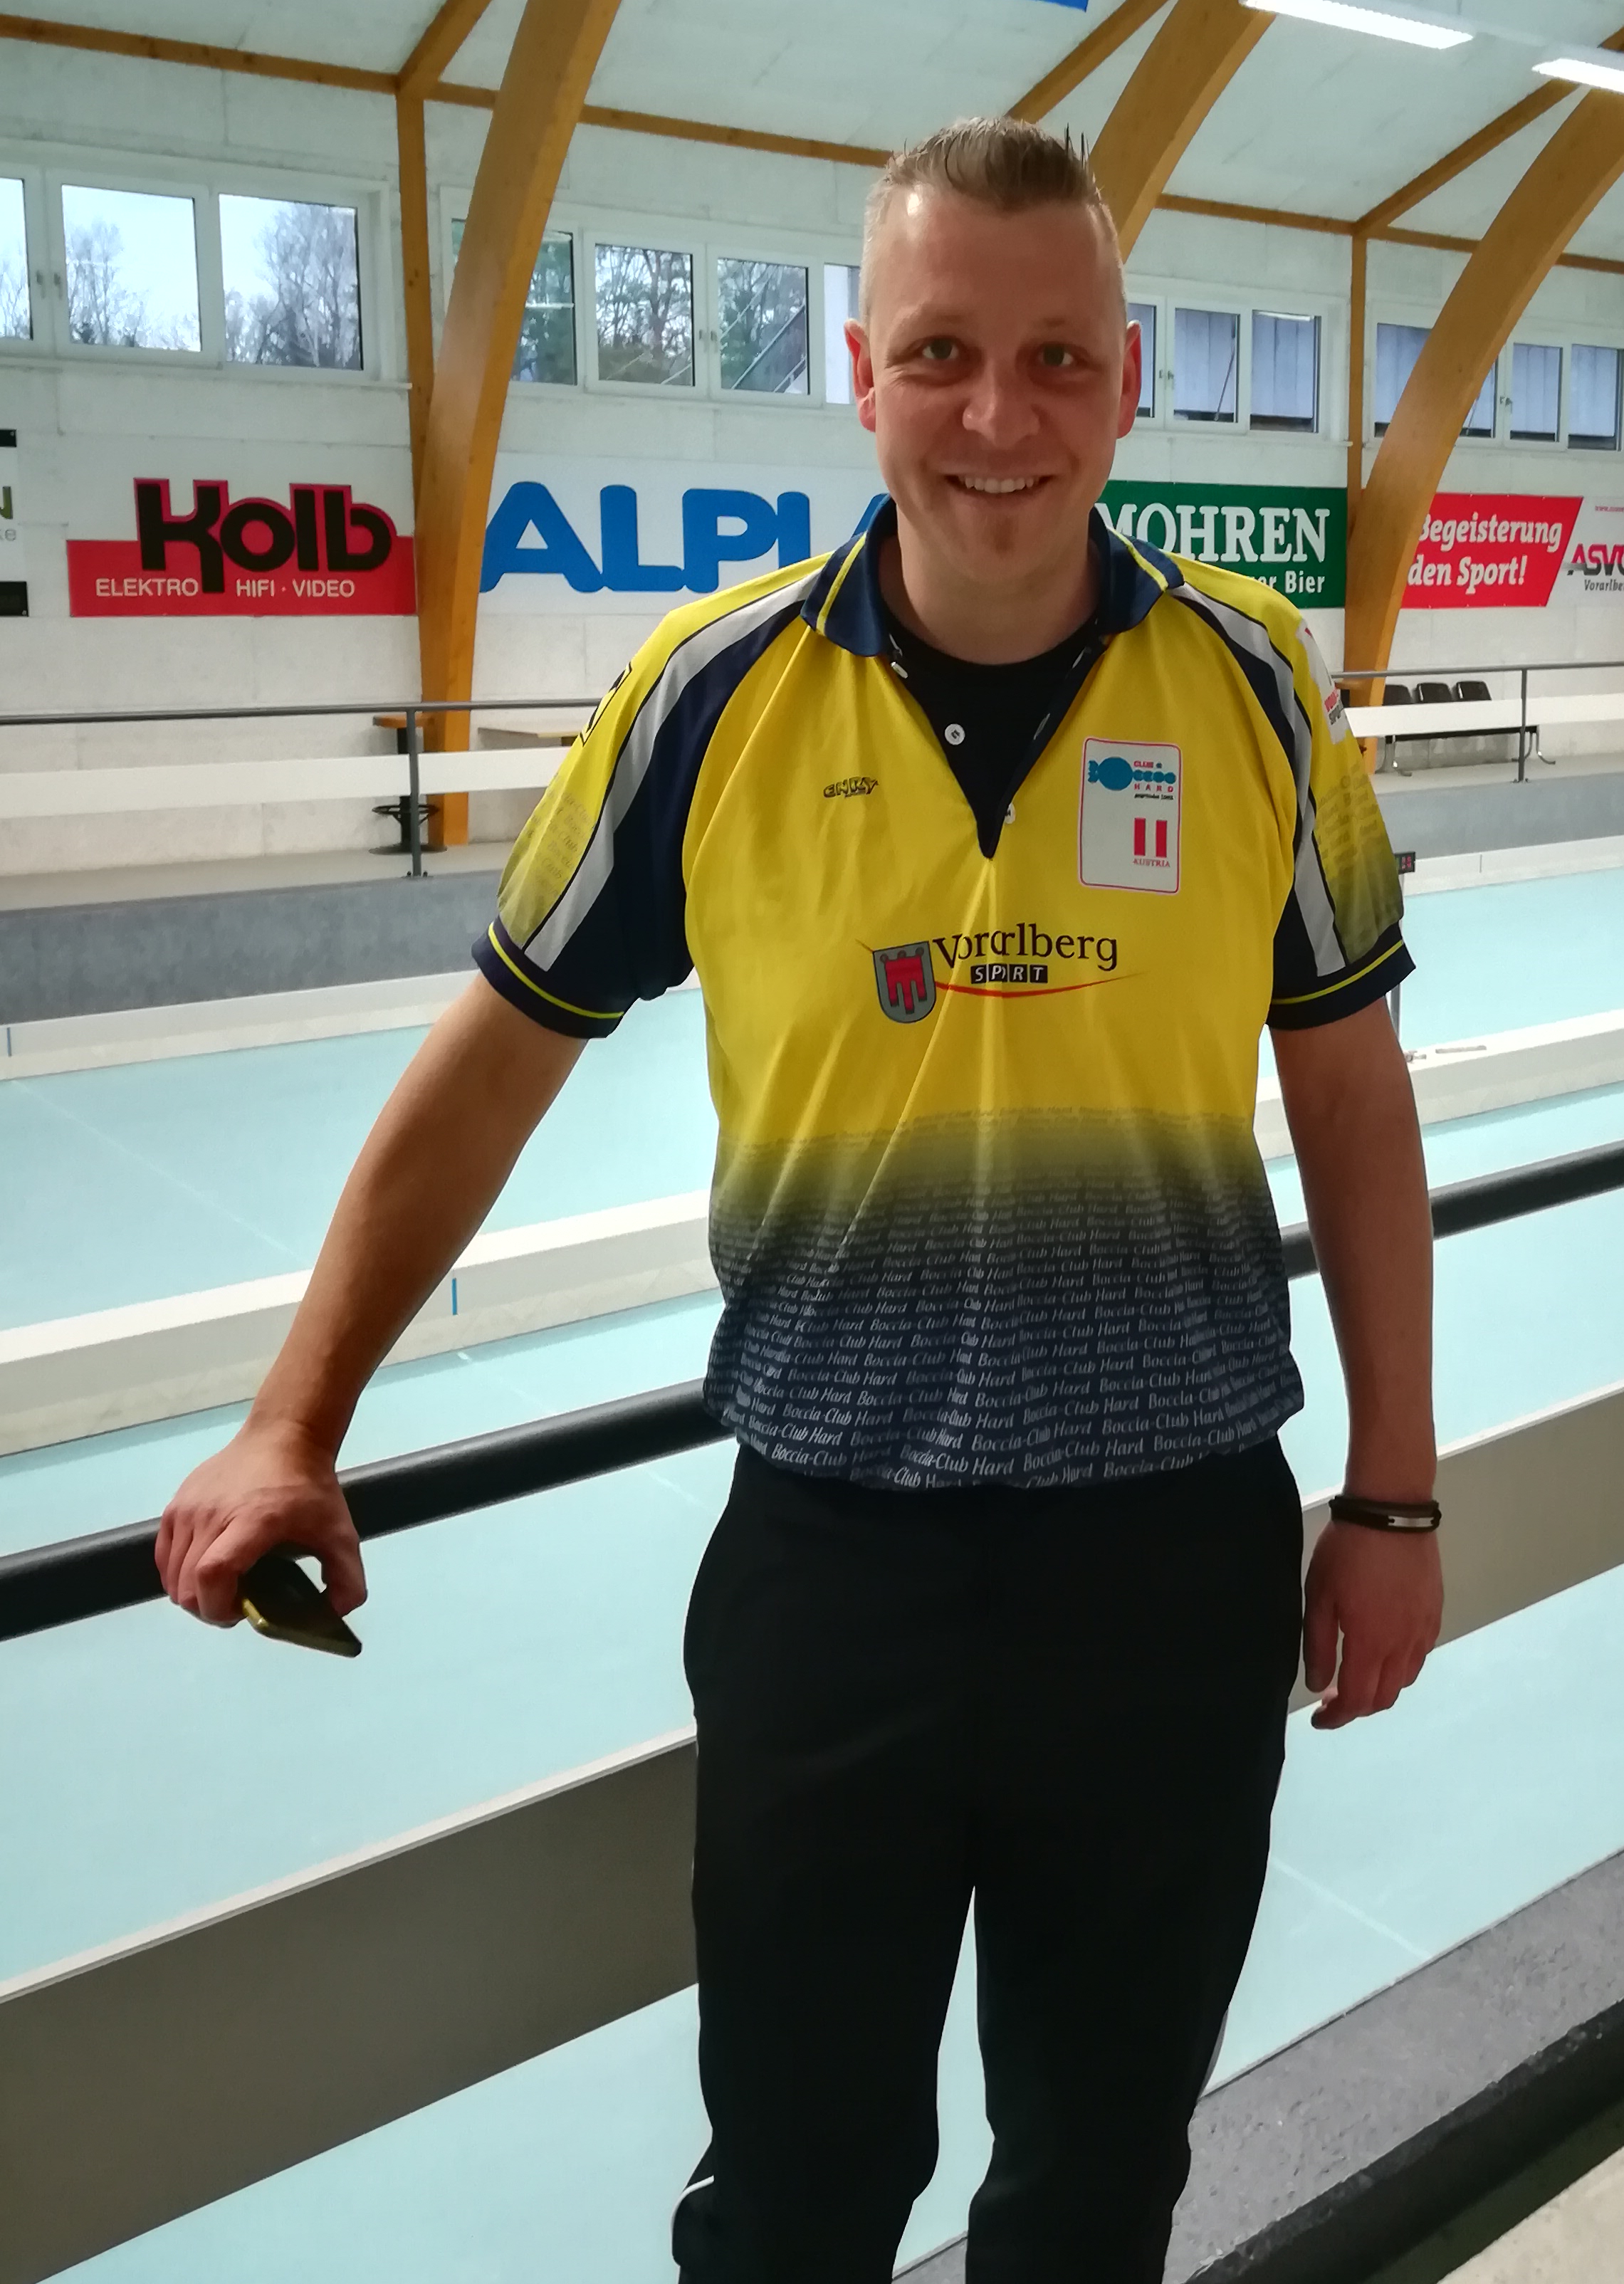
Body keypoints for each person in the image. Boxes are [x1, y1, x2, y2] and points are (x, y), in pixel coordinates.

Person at [157, 117, 1442, 2283]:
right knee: (797, 2201)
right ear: (862, 373)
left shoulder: (1255, 689)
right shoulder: (710, 695)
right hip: (836, 1570)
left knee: (1097, 2187)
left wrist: (1391, 1492)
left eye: (1056, 357)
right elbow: (492, 1066)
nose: (999, 416)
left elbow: (1352, 1092)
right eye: (942, 352)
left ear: (1128, 380)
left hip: (1172, 1567)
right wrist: (297, 1418)